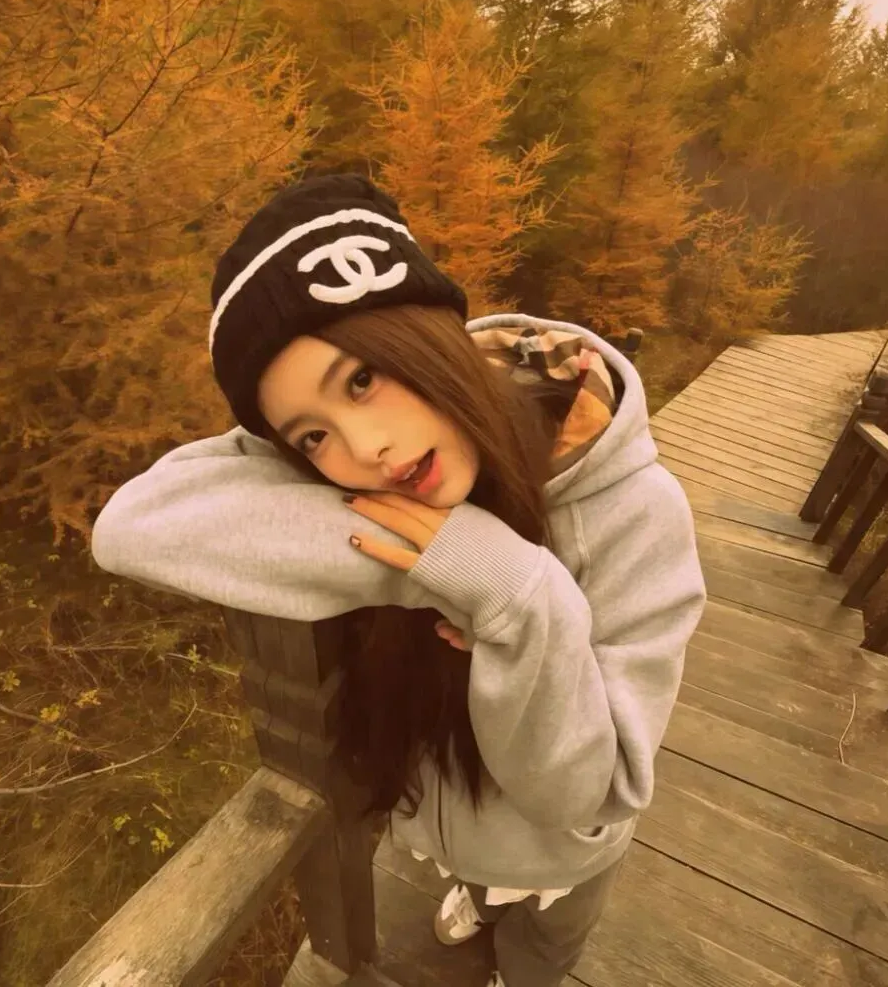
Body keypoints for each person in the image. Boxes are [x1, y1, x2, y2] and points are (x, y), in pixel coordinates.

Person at [91, 173, 707, 987]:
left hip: (561, 853)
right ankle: (479, 892)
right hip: (455, 825)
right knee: (480, 886)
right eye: (312, 436)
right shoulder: (404, 478)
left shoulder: (638, 512)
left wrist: (518, 592)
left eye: (361, 379)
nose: (367, 449)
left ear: (428, 335)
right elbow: (131, 525)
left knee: (543, 947)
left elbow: (588, 794)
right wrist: (448, 559)